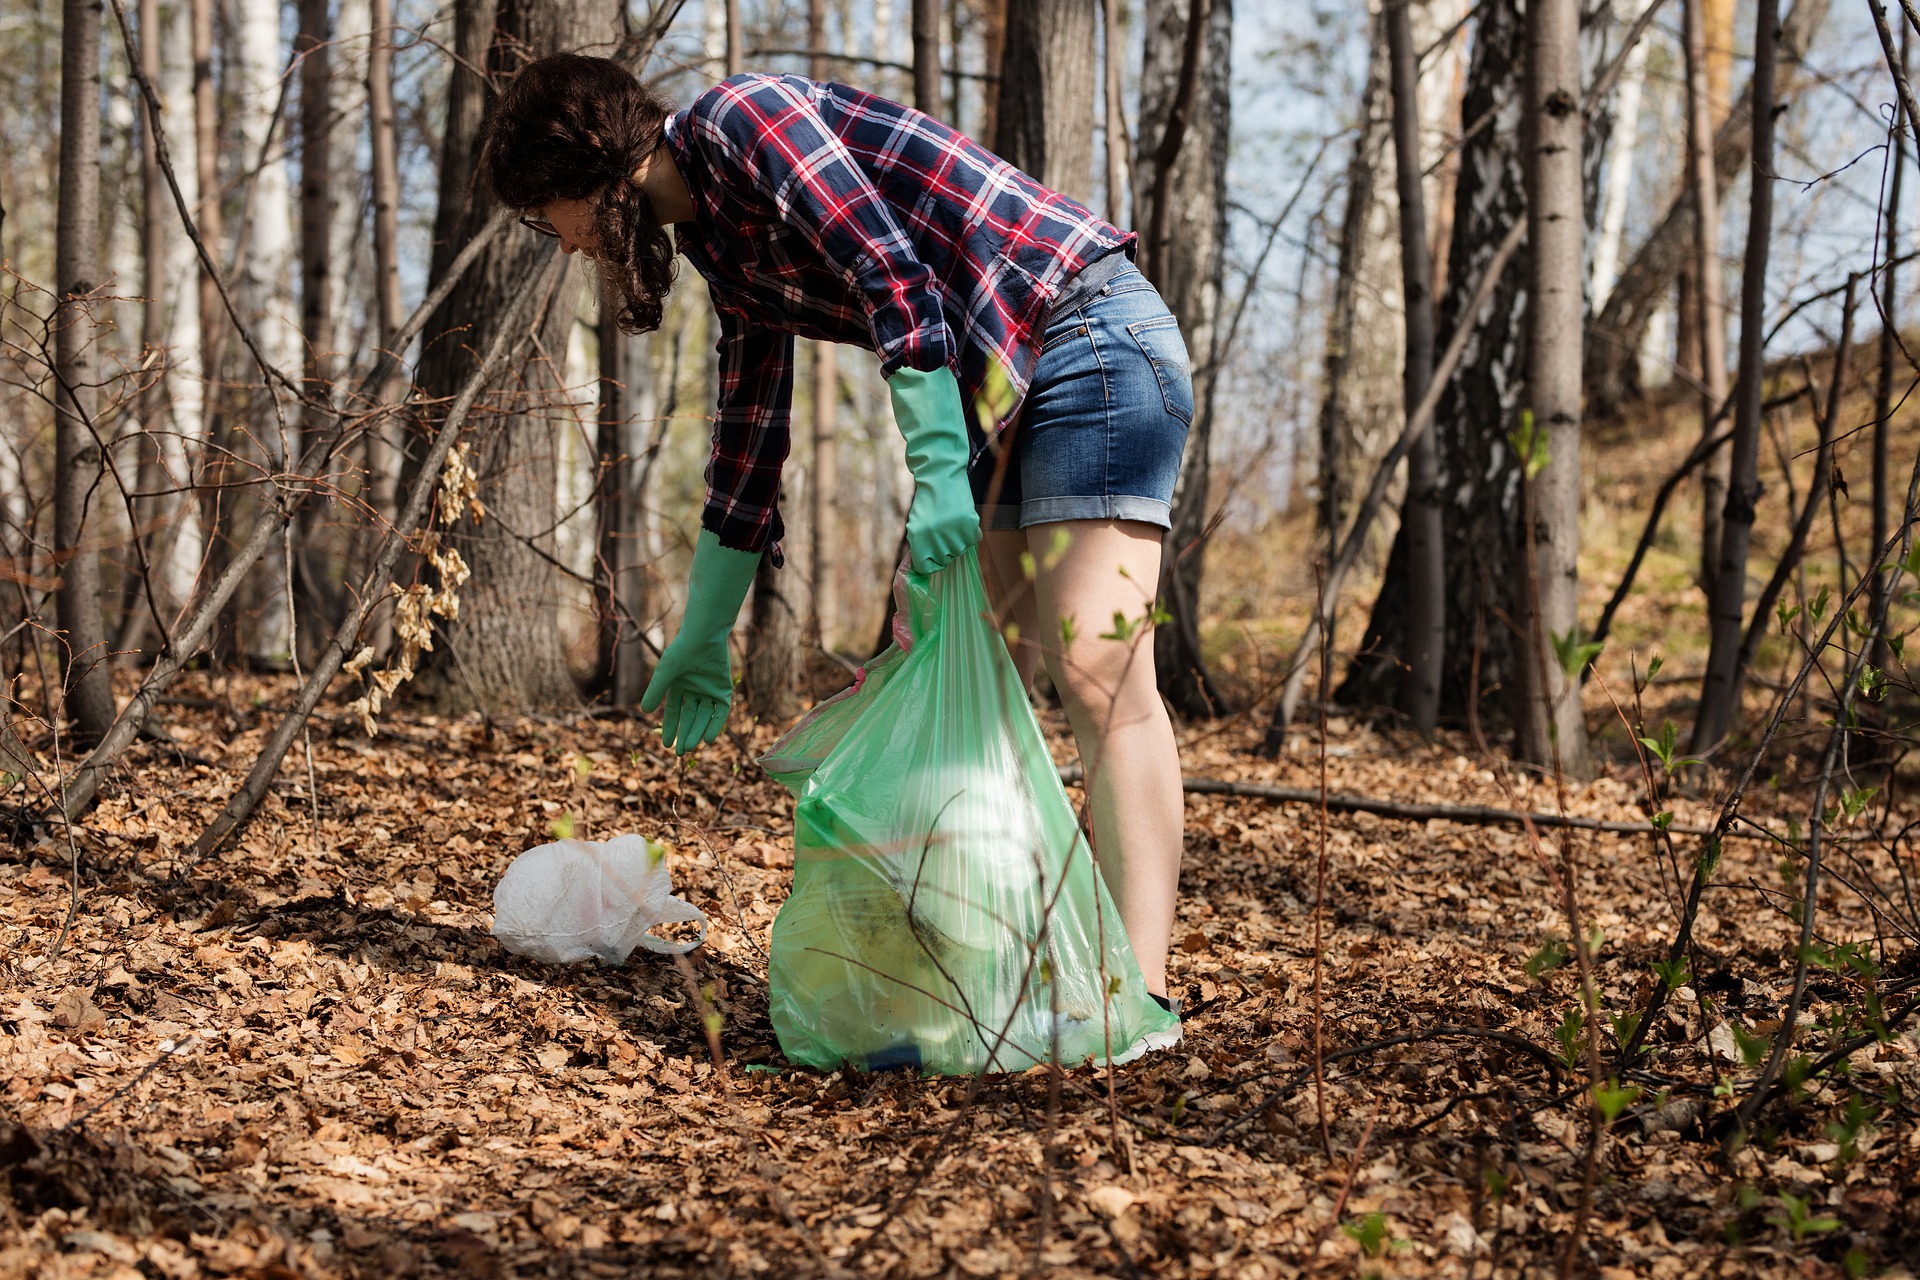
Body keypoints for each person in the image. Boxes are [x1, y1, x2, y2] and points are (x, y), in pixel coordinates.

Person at [481, 54, 1192, 1008]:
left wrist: (939, 472)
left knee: (1101, 678)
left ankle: (1138, 996)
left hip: (1085, 337)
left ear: (577, 170)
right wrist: (704, 631)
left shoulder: (746, 116)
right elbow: (748, 438)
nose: (561, 244)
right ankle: (1001, 975)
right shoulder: (719, 244)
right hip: (996, 391)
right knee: (972, 684)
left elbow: (891, 273)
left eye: (544, 217)